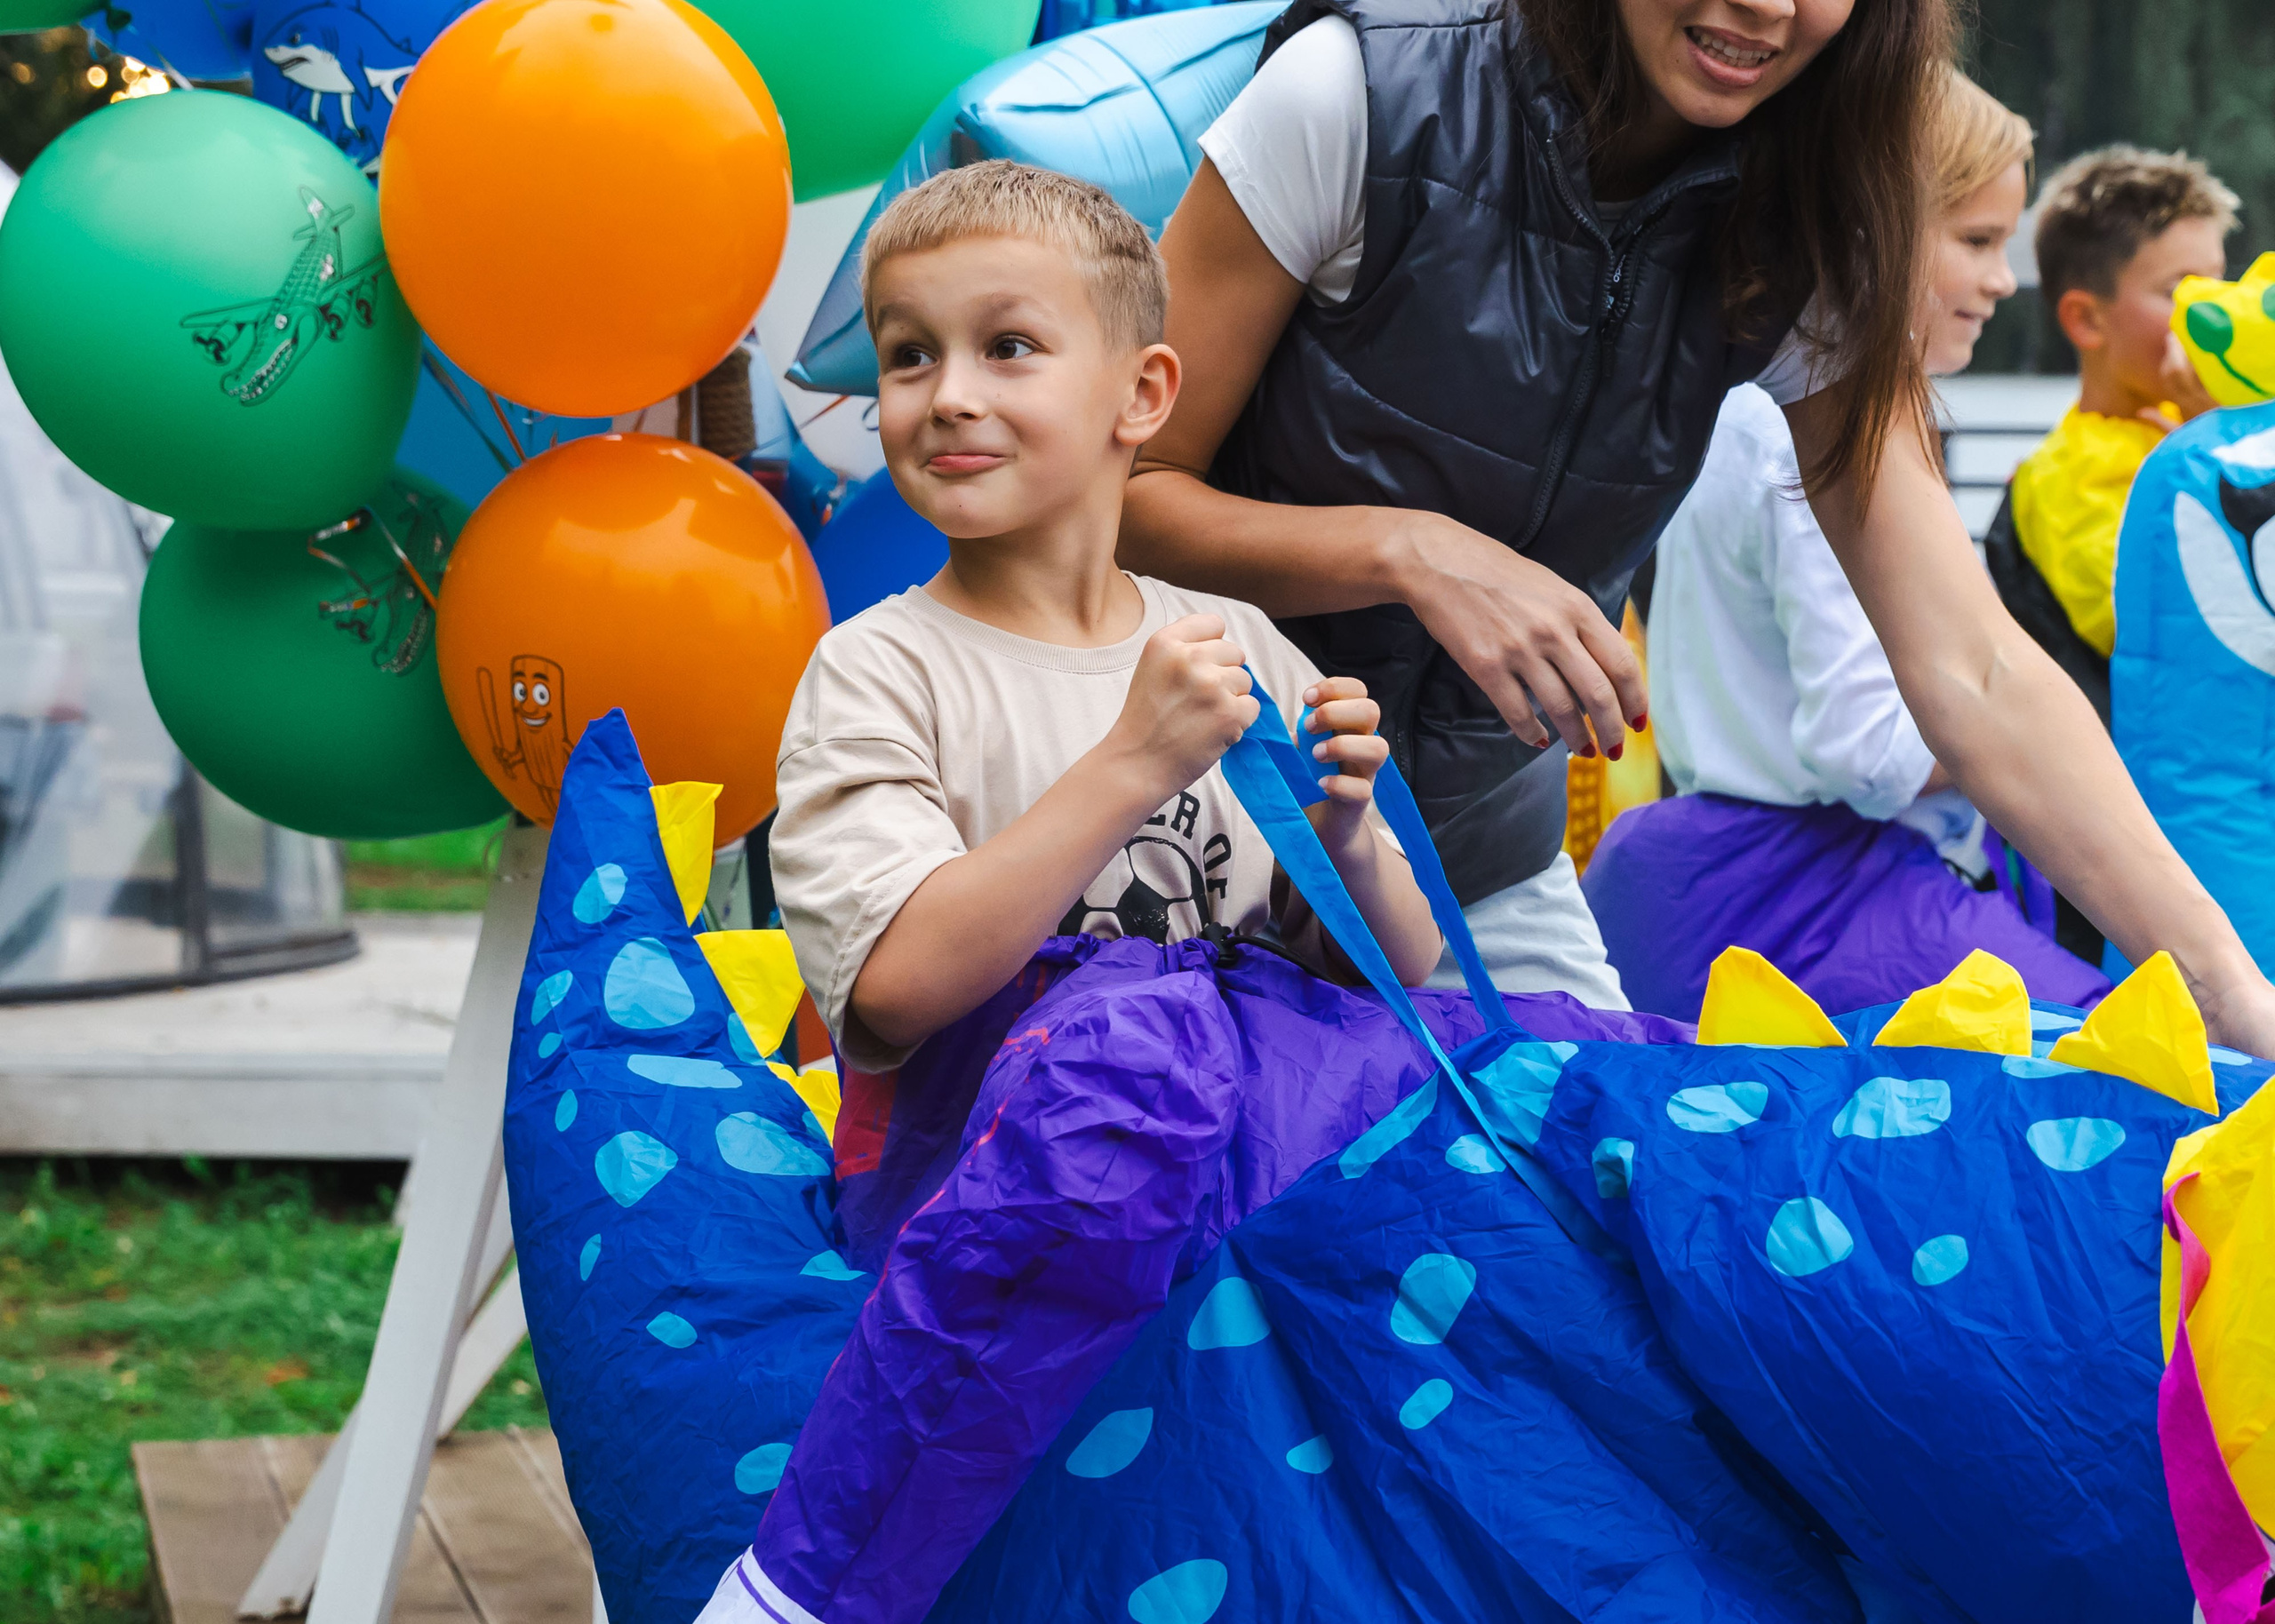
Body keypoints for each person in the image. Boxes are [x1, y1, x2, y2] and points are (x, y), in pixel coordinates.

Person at [1118, 0, 2275, 1055]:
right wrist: (1411, 553)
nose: (1769, 5)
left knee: (1611, 1238)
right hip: (1197, 836)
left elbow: (1975, 666)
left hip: (1481, 862)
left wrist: (2234, 990)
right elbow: (1115, 495)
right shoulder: (1359, 92)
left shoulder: (1816, 223)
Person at [698, 161, 1441, 1624]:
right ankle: (796, 1588)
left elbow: (1403, 984)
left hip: (1231, 1167)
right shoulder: (881, 668)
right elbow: (896, 992)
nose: (945, 394)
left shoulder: (1234, 641)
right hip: (978, 1182)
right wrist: (1129, 761)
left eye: (1006, 346)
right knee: (1124, 1042)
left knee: (1534, 1064)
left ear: (1142, 395)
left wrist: (1350, 837)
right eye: (908, 355)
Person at [1578, 69, 2109, 1019]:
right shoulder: (1815, 429)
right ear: (1868, 224)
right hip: (1824, 904)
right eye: (1977, 241)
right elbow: (1866, 750)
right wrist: (2043, 717)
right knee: (2144, 1082)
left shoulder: (1747, 409)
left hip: (1740, 886)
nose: (2000, 279)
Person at [2008, 147, 2238, 658]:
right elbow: (2175, 625)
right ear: (2088, 320)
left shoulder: (2222, 420)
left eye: (2218, 282)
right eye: (2181, 289)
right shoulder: (2063, 479)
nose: (2214, 311)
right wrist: (2213, 444)